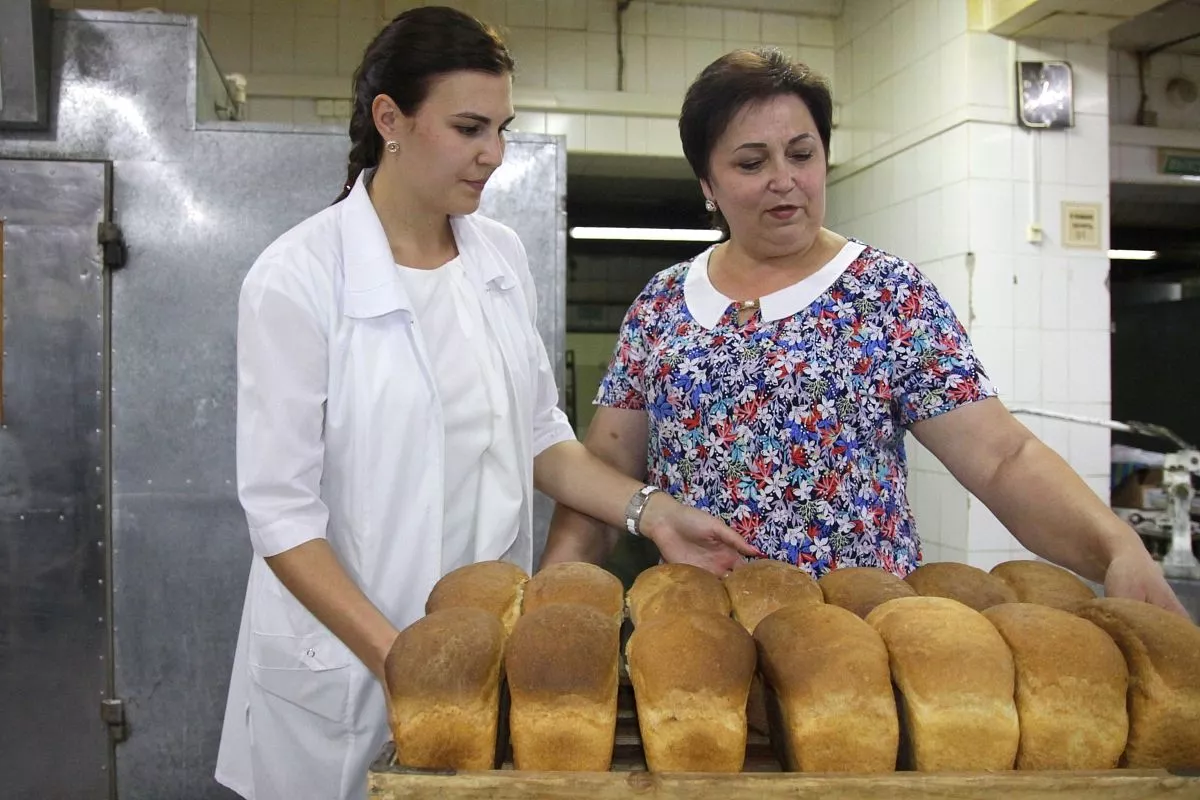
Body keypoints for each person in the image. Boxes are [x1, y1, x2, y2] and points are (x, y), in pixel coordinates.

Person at [214, 9, 756, 800]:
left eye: (501, 128)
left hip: (479, 661)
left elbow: (543, 436)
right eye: (470, 128)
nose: (493, 155)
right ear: (390, 120)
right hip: (344, 666)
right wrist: (399, 658)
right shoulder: (295, 277)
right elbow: (281, 515)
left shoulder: (497, 255)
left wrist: (653, 512)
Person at [541, 48, 1188, 619]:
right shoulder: (661, 304)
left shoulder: (886, 294)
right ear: (708, 184)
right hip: (699, 639)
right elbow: (604, 479)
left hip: (858, 636)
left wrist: (1114, 547)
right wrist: (553, 601)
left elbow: (1002, 459)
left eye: (802, 154)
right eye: (750, 162)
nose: (784, 179)